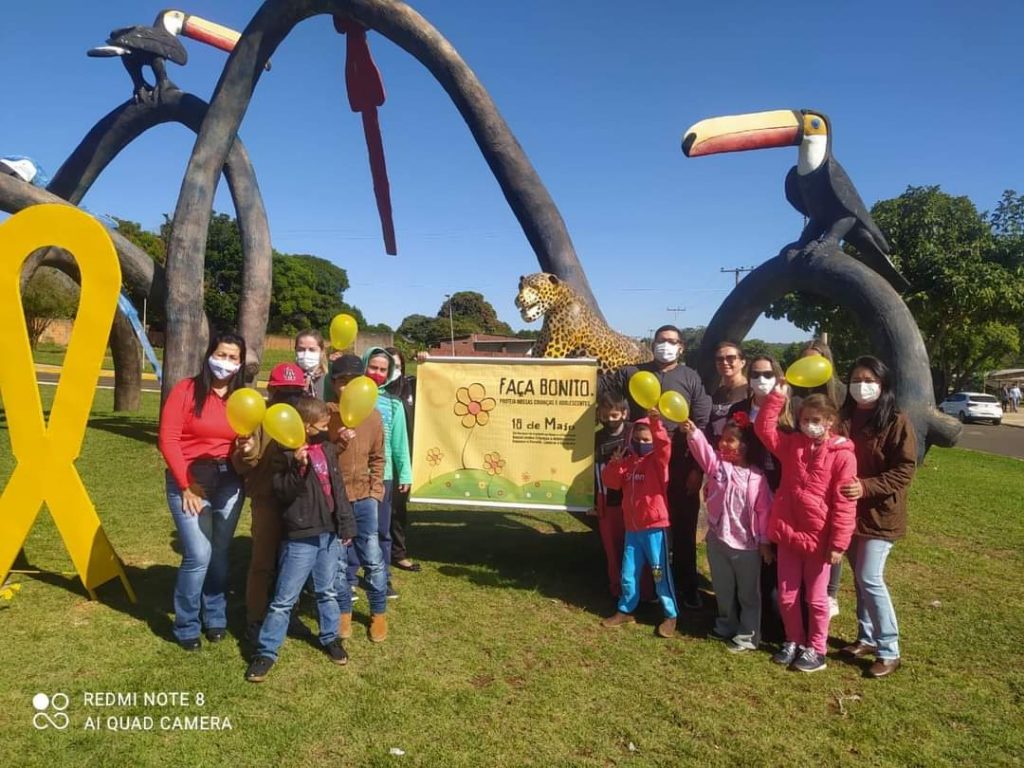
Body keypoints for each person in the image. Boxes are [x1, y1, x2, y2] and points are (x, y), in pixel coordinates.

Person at [245, 397, 357, 683]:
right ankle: (266, 651)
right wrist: (297, 466)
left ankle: (330, 637)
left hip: (329, 533)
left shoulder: (327, 449)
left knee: (327, 591)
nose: (325, 426)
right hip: (301, 536)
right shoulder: (284, 453)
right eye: (321, 423)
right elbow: (283, 492)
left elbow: (338, 489)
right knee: (284, 598)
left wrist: (345, 524)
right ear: (306, 427)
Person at [601, 325, 712, 609]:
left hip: (681, 462)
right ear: (652, 343)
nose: (666, 345)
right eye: (661, 340)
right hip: (643, 465)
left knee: (684, 526)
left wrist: (697, 468)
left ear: (681, 347)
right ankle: (641, 587)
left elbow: (701, 421)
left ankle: (686, 586)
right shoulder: (633, 373)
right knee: (641, 525)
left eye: (672, 341)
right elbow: (600, 386)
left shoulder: (690, 377)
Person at [755, 388, 857, 673]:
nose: (808, 424)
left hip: (819, 539)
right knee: (787, 596)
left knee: (816, 598)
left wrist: (838, 543)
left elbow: (845, 502)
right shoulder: (792, 445)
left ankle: (817, 648)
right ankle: (794, 640)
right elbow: (763, 428)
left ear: (829, 421)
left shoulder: (843, 455)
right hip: (788, 533)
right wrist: (776, 397)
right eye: (804, 419)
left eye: (815, 419)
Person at [158, 331, 248, 650]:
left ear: (240, 363)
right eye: (221, 355)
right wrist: (187, 485)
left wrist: (249, 446)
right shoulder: (185, 390)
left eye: (233, 358)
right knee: (198, 553)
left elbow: (248, 442)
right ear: (210, 355)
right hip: (192, 478)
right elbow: (168, 439)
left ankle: (216, 616)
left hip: (230, 480)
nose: (225, 362)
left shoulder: (243, 399)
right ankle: (186, 624)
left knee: (220, 552)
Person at [837, 356, 916, 678]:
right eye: (856, 379)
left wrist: (866, 487)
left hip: (880, 515)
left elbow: (905, 469)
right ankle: (866, 637)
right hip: (848, 513)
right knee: (859, 578)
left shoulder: (896, 420)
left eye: (869, 380)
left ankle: (889, 649)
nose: (862, 386)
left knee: (870, 578)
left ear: (882, 385)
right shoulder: (844, 417)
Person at [682, 413, 773, 652]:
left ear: (745, 446)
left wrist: (764, 542)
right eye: (722, 438)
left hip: (747, 547)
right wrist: (694, 432)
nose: (723, 443)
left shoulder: (757, 478)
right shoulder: (719, 468)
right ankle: (725, 624)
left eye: (730, 440)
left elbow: (764, 513)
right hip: (718, 540)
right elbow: (704, 453)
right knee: (723, 588)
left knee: (748, 594)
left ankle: (748, 635)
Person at [232, 362, 307, 639]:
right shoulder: (256, 418)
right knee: (263, 562)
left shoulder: (303, 418)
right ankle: (255, 615)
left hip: (298, 503)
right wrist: (248, 452)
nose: (289, 397)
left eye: (294, 392)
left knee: (294, 562)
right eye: (283, 391)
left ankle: (290, 612)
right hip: (267, 501)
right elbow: (241, 464)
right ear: (271, 390)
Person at [727, 354, 792, 642]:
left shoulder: (791, 409)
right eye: (755, 374)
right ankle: (749, 614)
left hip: (779, 490)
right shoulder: (739, 408)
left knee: (774, 558)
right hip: (745, 490)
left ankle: (777, 623)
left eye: (767, 374)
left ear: (777, 377)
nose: (760, 379)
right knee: (749, 552)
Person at [599, 411, 679, 638]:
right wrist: (614, 464)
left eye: (647, 440)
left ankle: (670, 615)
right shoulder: (628, 463)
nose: (641, 444)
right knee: (628, 573)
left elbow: (664, 444)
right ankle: (626, 609)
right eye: (638, 440)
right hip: (632, 530)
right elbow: (611, 482)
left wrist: (655, 423)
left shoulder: (658, 462)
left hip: (655, 529)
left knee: (659, 572)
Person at [327, 354, 389, 642]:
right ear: (334, 383)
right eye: (341, 381)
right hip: (337, 500)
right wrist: (337, 443)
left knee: (373, 558)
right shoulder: (325, 416)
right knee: (339, 561)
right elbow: (321, 460)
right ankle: (343, 613)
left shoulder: (373, 416)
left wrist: (376, 493)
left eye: (353, 381)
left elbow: (378, 458)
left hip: (365, 498)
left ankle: (378, 613)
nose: (347, 387)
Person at [788, 339, 846, 618]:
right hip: (798, 474)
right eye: (805, 361)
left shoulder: (841, 395)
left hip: (831, 471)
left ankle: (830, 592)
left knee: (832, 531)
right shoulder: (794, 396)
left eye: (816, 360)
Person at [592, 390, 654, 601]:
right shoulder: (596, 438)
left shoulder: (633, 433)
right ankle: (618, 590)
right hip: (606, 502)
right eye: (605, 416)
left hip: (632, 502)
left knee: (639, 551)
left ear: (624, 413)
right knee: (613, 549)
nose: (609, 420)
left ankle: (646, 591)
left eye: (614, 416)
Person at [362, 347, 412, 599]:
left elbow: (400, 442)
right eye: (373, 367)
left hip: (385, 476)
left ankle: (382, 578)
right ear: (364, 365)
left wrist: (405, 474)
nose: (378, 373)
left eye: (383, 369)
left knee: (382, 530)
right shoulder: (351, 395)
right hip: (354, 474)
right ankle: (348, 576)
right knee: (350, 529)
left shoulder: (394, 403)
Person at [384, 346, 421, 573]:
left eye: (398, 366)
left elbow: (439, 380)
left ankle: (398, 553)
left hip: (404, 455)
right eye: (390, 366)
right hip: (380, 458)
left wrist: (428, 361)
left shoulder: (411, 386)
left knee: (398, 508)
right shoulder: (373, 390)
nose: (394, 370)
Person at [706, 341, 748, 440]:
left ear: (742, 362)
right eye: (719, 359)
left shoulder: (751, 391)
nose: (724, 362)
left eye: (731, 358)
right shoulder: (717, 393)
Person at [294, 329, 329, 399]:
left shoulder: (329, 379)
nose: (306, 354)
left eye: (312, 350)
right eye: (301, 349)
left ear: (322, 351)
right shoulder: (289, 378)